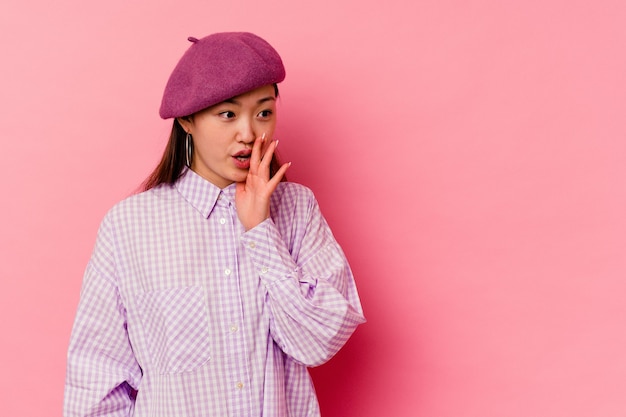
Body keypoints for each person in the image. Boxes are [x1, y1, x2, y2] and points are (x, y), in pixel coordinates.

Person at [64, 32, 365, 417]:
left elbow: (317, 342)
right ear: (187, 120)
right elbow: (97, 379)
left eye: (264, 112)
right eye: (227, 114)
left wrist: (260, 231)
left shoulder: (298, 210)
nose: (249, 133)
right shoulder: (128, 227)